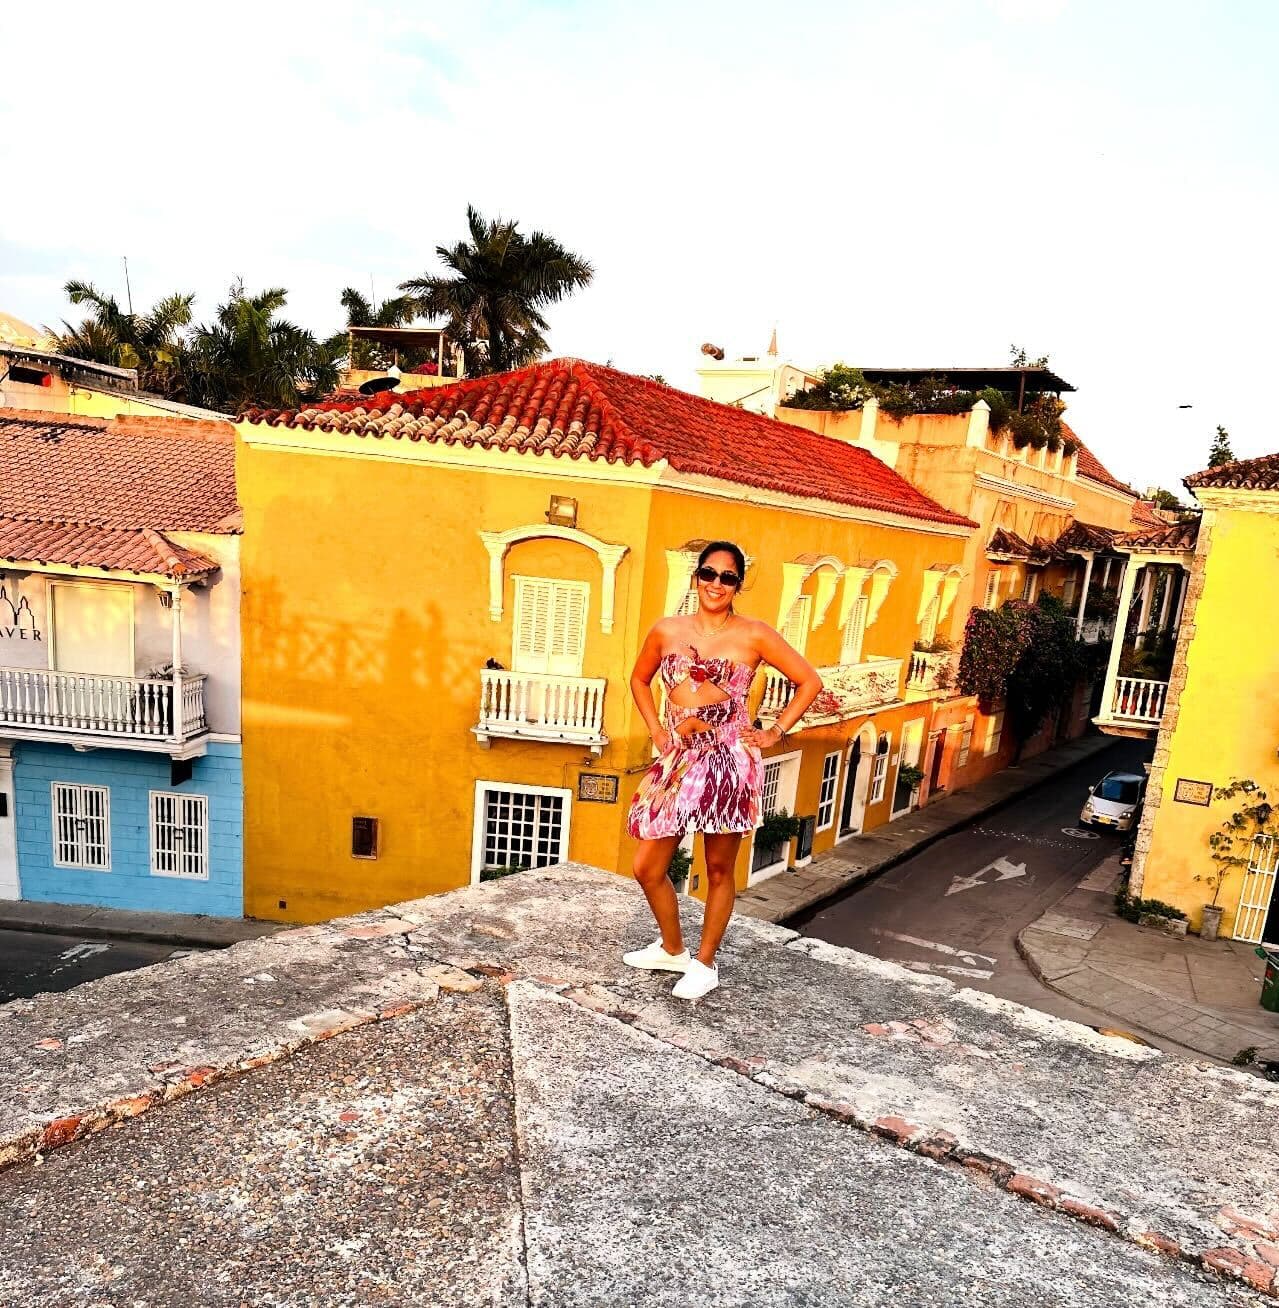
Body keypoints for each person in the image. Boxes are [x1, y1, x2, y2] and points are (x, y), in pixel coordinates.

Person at [624, 540, 822, 999]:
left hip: (728, 759)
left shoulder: (754, 634)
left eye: (728, 577)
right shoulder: (666, 630)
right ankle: (672, 950)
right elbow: (639, 678)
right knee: (647, 866)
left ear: (738, 585)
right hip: (679, 757)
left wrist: (775, 732)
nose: (717, 584)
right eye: (709, 574)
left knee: (717, 868)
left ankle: (705, 962)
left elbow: (809, 681)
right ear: (696, 577)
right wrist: (655, 729)